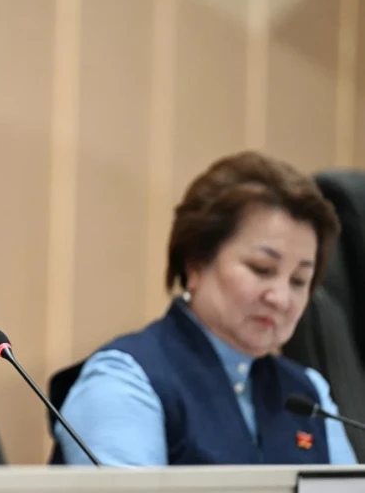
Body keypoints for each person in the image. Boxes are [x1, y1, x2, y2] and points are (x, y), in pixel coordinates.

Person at [56, 151, 357, 466]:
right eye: (262, 268)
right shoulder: (125, 381)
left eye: (298, 281)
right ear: (196, 263)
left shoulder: (309, 392)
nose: (280, 298)